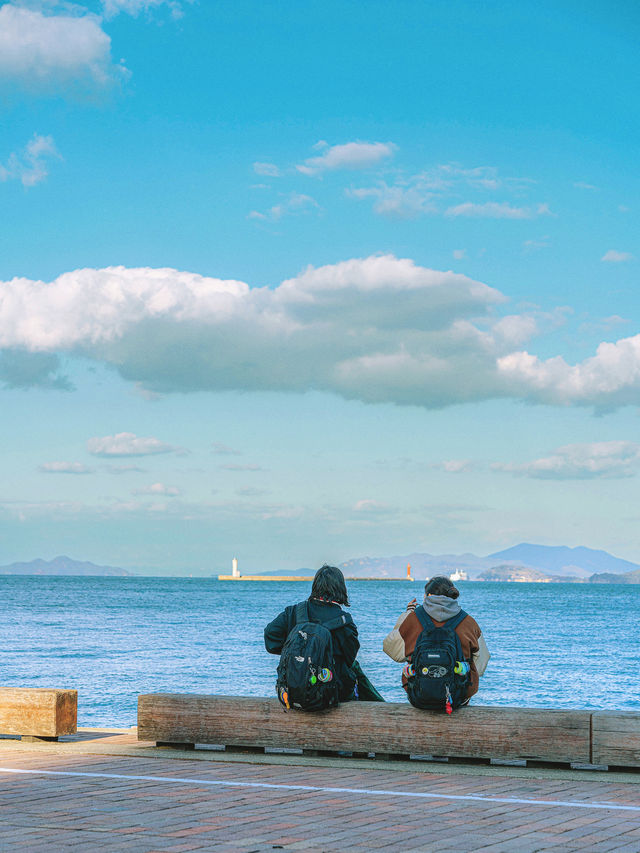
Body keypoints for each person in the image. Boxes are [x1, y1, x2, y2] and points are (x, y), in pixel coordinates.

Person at [264, 564, 384, 702]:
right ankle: (384, 710)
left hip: (293, 690)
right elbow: (350, 657)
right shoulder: (344, 622)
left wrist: (299, 652)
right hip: (334, 693)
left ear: (315, 586)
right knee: (355, 669)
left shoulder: (293, 612)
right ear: (341, 588)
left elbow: (270, 638)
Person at [383, 575, 489, 703]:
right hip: (457, 698)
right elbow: (481, 664)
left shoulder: (413, 619)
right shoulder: (469, 622)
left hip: (419, 695)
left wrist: (408, 613)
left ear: (428, 596)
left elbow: (391, 650)